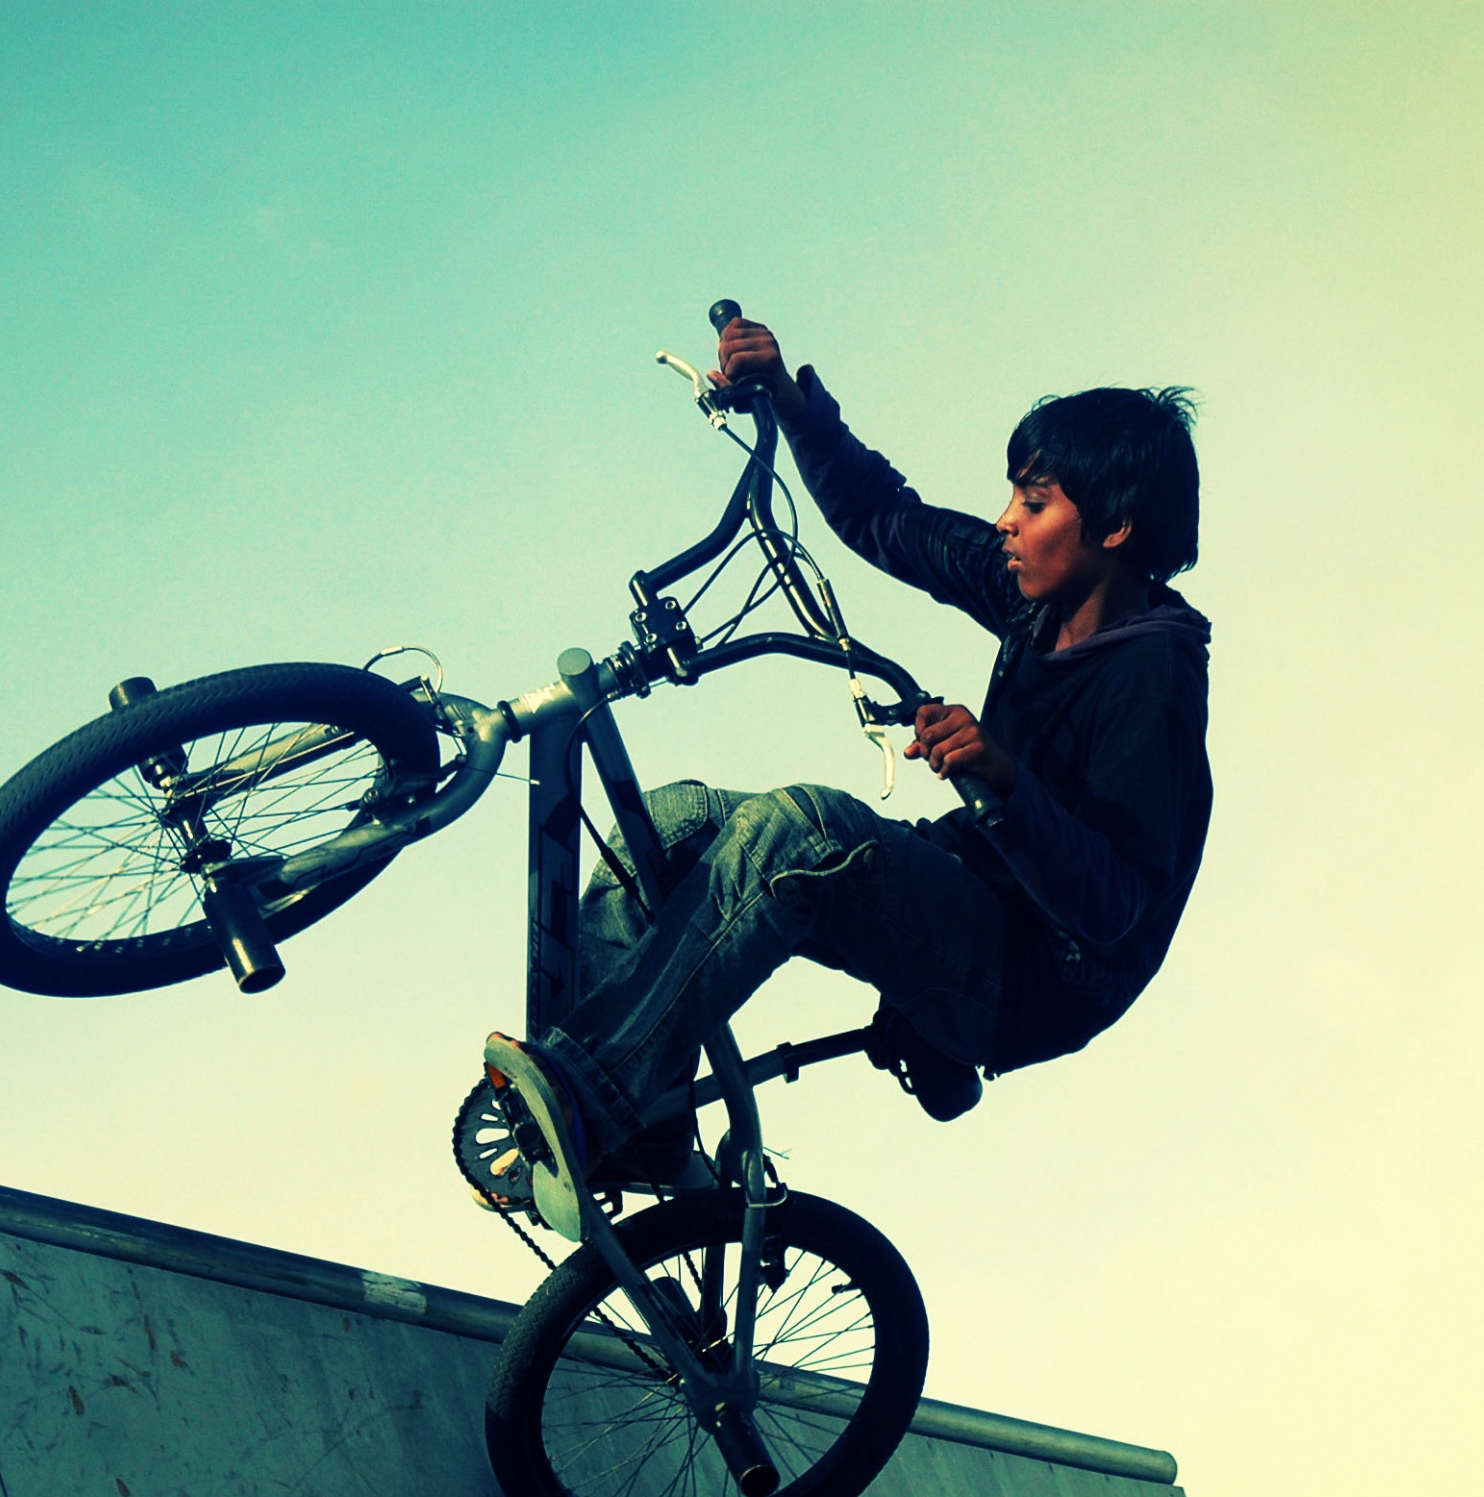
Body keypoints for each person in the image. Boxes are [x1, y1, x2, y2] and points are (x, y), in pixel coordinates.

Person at [484, 312, 1212, 1225]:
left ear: (1116, 528)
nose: (1005, 523)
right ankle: (642, 1121)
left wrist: (1004, 781)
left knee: (806, 834)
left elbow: (1115, 906)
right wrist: (791, 402)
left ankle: (595, 1096)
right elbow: (884, 517)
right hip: (974, 891)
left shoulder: (1154, 678)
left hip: (1037, 978)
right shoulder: (1033, 599)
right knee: (670, 822)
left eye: (1034, 506)